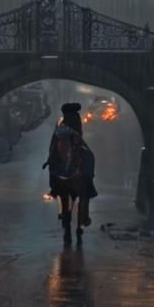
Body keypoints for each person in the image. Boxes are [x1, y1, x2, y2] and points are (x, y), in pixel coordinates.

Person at [43, 102, 98, 244]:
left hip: (75, 144)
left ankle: (85, 183)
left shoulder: (70, 121)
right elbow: (56, 140)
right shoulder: (65, 124)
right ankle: (57, 186)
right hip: (66, 143)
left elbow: (78, 136)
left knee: (87, 157)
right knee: (55, 158)